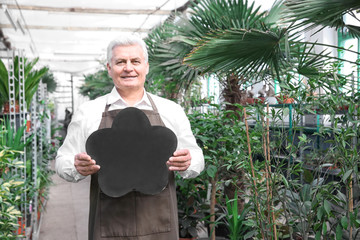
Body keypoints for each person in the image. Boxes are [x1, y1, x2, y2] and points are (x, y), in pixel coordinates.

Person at [55, 34, 204, 240]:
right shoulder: (89, 112)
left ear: (146, 66)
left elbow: (196, 157)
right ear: (109, 68)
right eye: (120, 62)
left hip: (159, 225)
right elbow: (62, 160)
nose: (128, 68)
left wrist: (188, 162)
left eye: (135, 61)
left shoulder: (171, 110)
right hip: (108, 226)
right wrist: (76, 167)